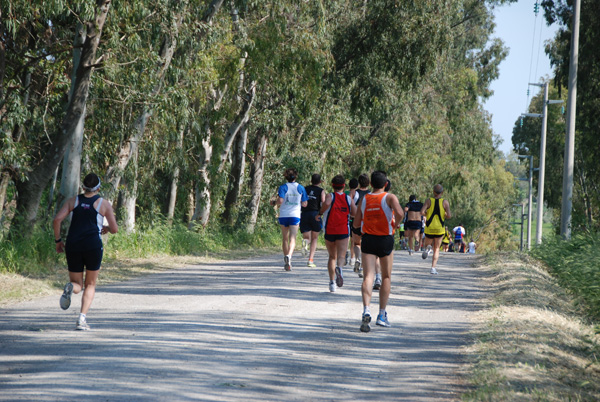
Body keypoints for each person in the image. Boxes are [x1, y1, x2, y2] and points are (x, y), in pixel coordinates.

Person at [53, 173, 118, 330]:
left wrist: (58, 240)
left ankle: (70, 287)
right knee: (90, 284)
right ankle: (81, 319)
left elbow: (57, 220)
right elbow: (115, 229)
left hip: (73, 245)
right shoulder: (104, 204)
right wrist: (107, 228)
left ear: (83, 187)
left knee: (77, 284)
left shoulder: (72, 201)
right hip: (93, 246)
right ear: (98, 188)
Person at [353, 171, 404, 332]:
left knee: (368, 276)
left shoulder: (364, 199)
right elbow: (401, 214)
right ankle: (381, 315)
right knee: (386, 276)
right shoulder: (390, 198)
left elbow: (356, 222)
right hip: (385, 239)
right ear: (385, 184)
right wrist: (395, 225)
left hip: (368, 239)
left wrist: (359, 231)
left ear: (371, 184)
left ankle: (366, 309)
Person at [319, 175, 356, 292]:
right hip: (343, 231)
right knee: (340, 256)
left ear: (332, 185)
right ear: (343, 186)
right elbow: (354, 213)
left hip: (330, 230)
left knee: (331, 257)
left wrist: (319, 213)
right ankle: (339, 268)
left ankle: (332, 282)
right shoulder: (348, 199)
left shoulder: (330, 196)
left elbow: (326, 204)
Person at [273, 168, 308, 271]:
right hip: (295, 215)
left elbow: (280, 200)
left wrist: (274, 202)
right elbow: (305, 204)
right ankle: (289, 256)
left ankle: (286, 260)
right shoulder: (301, 188)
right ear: (295, 176)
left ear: (286, 177)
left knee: (285, 238)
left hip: (284, 215)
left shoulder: (283, 187)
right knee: (293, 238)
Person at [420, 184, 452, 274]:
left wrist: (428, 213)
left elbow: (421, 212)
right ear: (442, 192)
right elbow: (449, 215)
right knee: (437, 248)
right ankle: (433, 268)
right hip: (439, 228)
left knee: (427, 244)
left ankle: (427, 249)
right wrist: (444, 214)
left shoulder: (428, 201)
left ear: (433, 192)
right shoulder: (445, 202)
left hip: (429, 227)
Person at [300, 174, 325, 267]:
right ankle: (310, 260)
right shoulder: (321, 191)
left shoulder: (305, 189)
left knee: (307, 237)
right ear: (320, 182)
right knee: (314, 238)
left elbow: (301, 201)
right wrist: (321, 213)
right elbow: (323, 202)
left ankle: (305, 243)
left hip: (305, 214)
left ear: (311, 181)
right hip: (315, 214)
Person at [351, 173, 370, 278]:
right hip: (367, 222)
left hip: (356, 221)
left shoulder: (355, 193)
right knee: (366, 246)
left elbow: (350, 204)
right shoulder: (370, 194)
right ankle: (362, 267)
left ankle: (357, 258)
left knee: (356, 243)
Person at [345, 178, 359, 266]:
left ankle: (345, 251)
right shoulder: (357, 193)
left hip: (346, 217)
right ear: (357, 186)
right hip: (355, 218)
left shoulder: (345, 193)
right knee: (353, 239)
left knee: (346, 237)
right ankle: (352, 258)